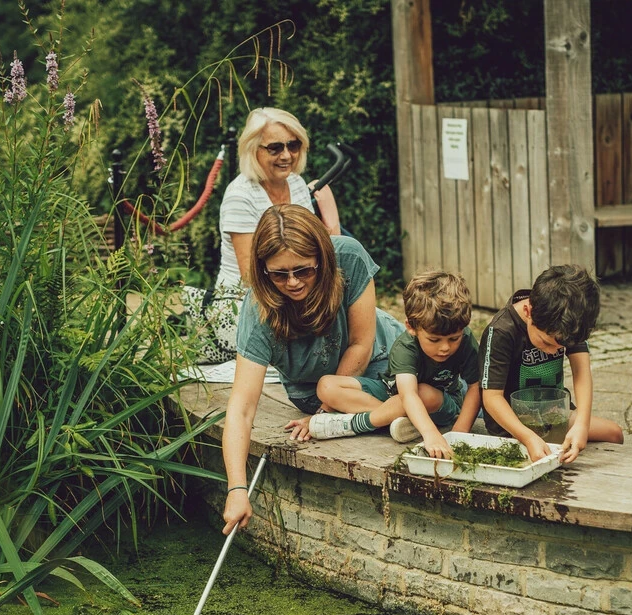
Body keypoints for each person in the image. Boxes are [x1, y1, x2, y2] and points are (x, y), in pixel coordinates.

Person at [221, 205, 404, 535]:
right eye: (279, 274)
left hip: (379, 360)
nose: (292, 283)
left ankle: (403, 409)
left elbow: (361, 344)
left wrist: (325, 415)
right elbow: (242, 408)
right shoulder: (258, 312)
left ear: (321, 257)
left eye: (303, 271)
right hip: (312, 392)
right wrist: (236, 488)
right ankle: (401, 413)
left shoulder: (348, 256)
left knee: (446, 393)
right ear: (263, 270)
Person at [184, 107, 341, 363]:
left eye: (293, 145)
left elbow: (317, 248)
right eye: (275, 148)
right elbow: (251, 277)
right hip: (250, 303)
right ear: (253, 149)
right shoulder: (240, 196)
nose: (287, 155)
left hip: (293, 290)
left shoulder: (296, 184)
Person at [307, 271, 482, 459]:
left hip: (439, 402)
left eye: (453, 338)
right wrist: (430, 433)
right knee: (327, 385)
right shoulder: (405, 346)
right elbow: (406, 395)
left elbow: (475, 387)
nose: (445, 348)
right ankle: (400, 420)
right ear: (411, 327)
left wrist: (458, 433)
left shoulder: (465, 340)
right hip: (395, 393)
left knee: (423, 392)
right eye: (434, 339)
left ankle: (358, 423)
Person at [478, 264, 624, 464]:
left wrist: (582, 423)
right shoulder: (502, 331)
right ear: (529, 312)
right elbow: (491, 398)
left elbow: (581, 372)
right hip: (512, 425)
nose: (554, 350)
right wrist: (528, 437)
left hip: (554, 414)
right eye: (547, 342)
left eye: (563, 346)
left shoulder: (570, 321)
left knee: (615, 434)